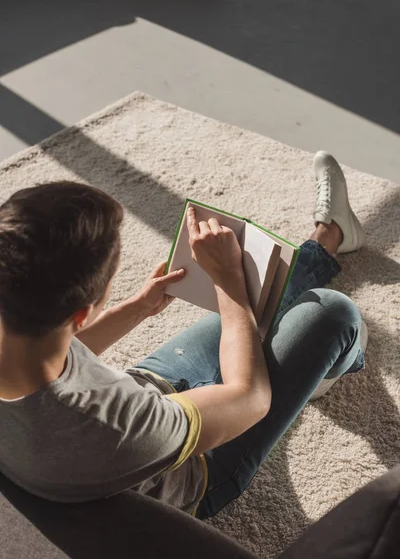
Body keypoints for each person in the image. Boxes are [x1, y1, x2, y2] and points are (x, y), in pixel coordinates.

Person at [0, 151, 367, 520]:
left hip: (141, 395)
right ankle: (333, 363)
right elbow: (250, 398)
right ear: (80, 314)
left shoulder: (19, 328)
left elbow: (58, 347)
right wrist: (227, 282)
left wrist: (138, 307)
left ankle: (329, 235)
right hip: (196, 466)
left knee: (269, 298)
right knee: (333, 314)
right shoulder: (116, 427)